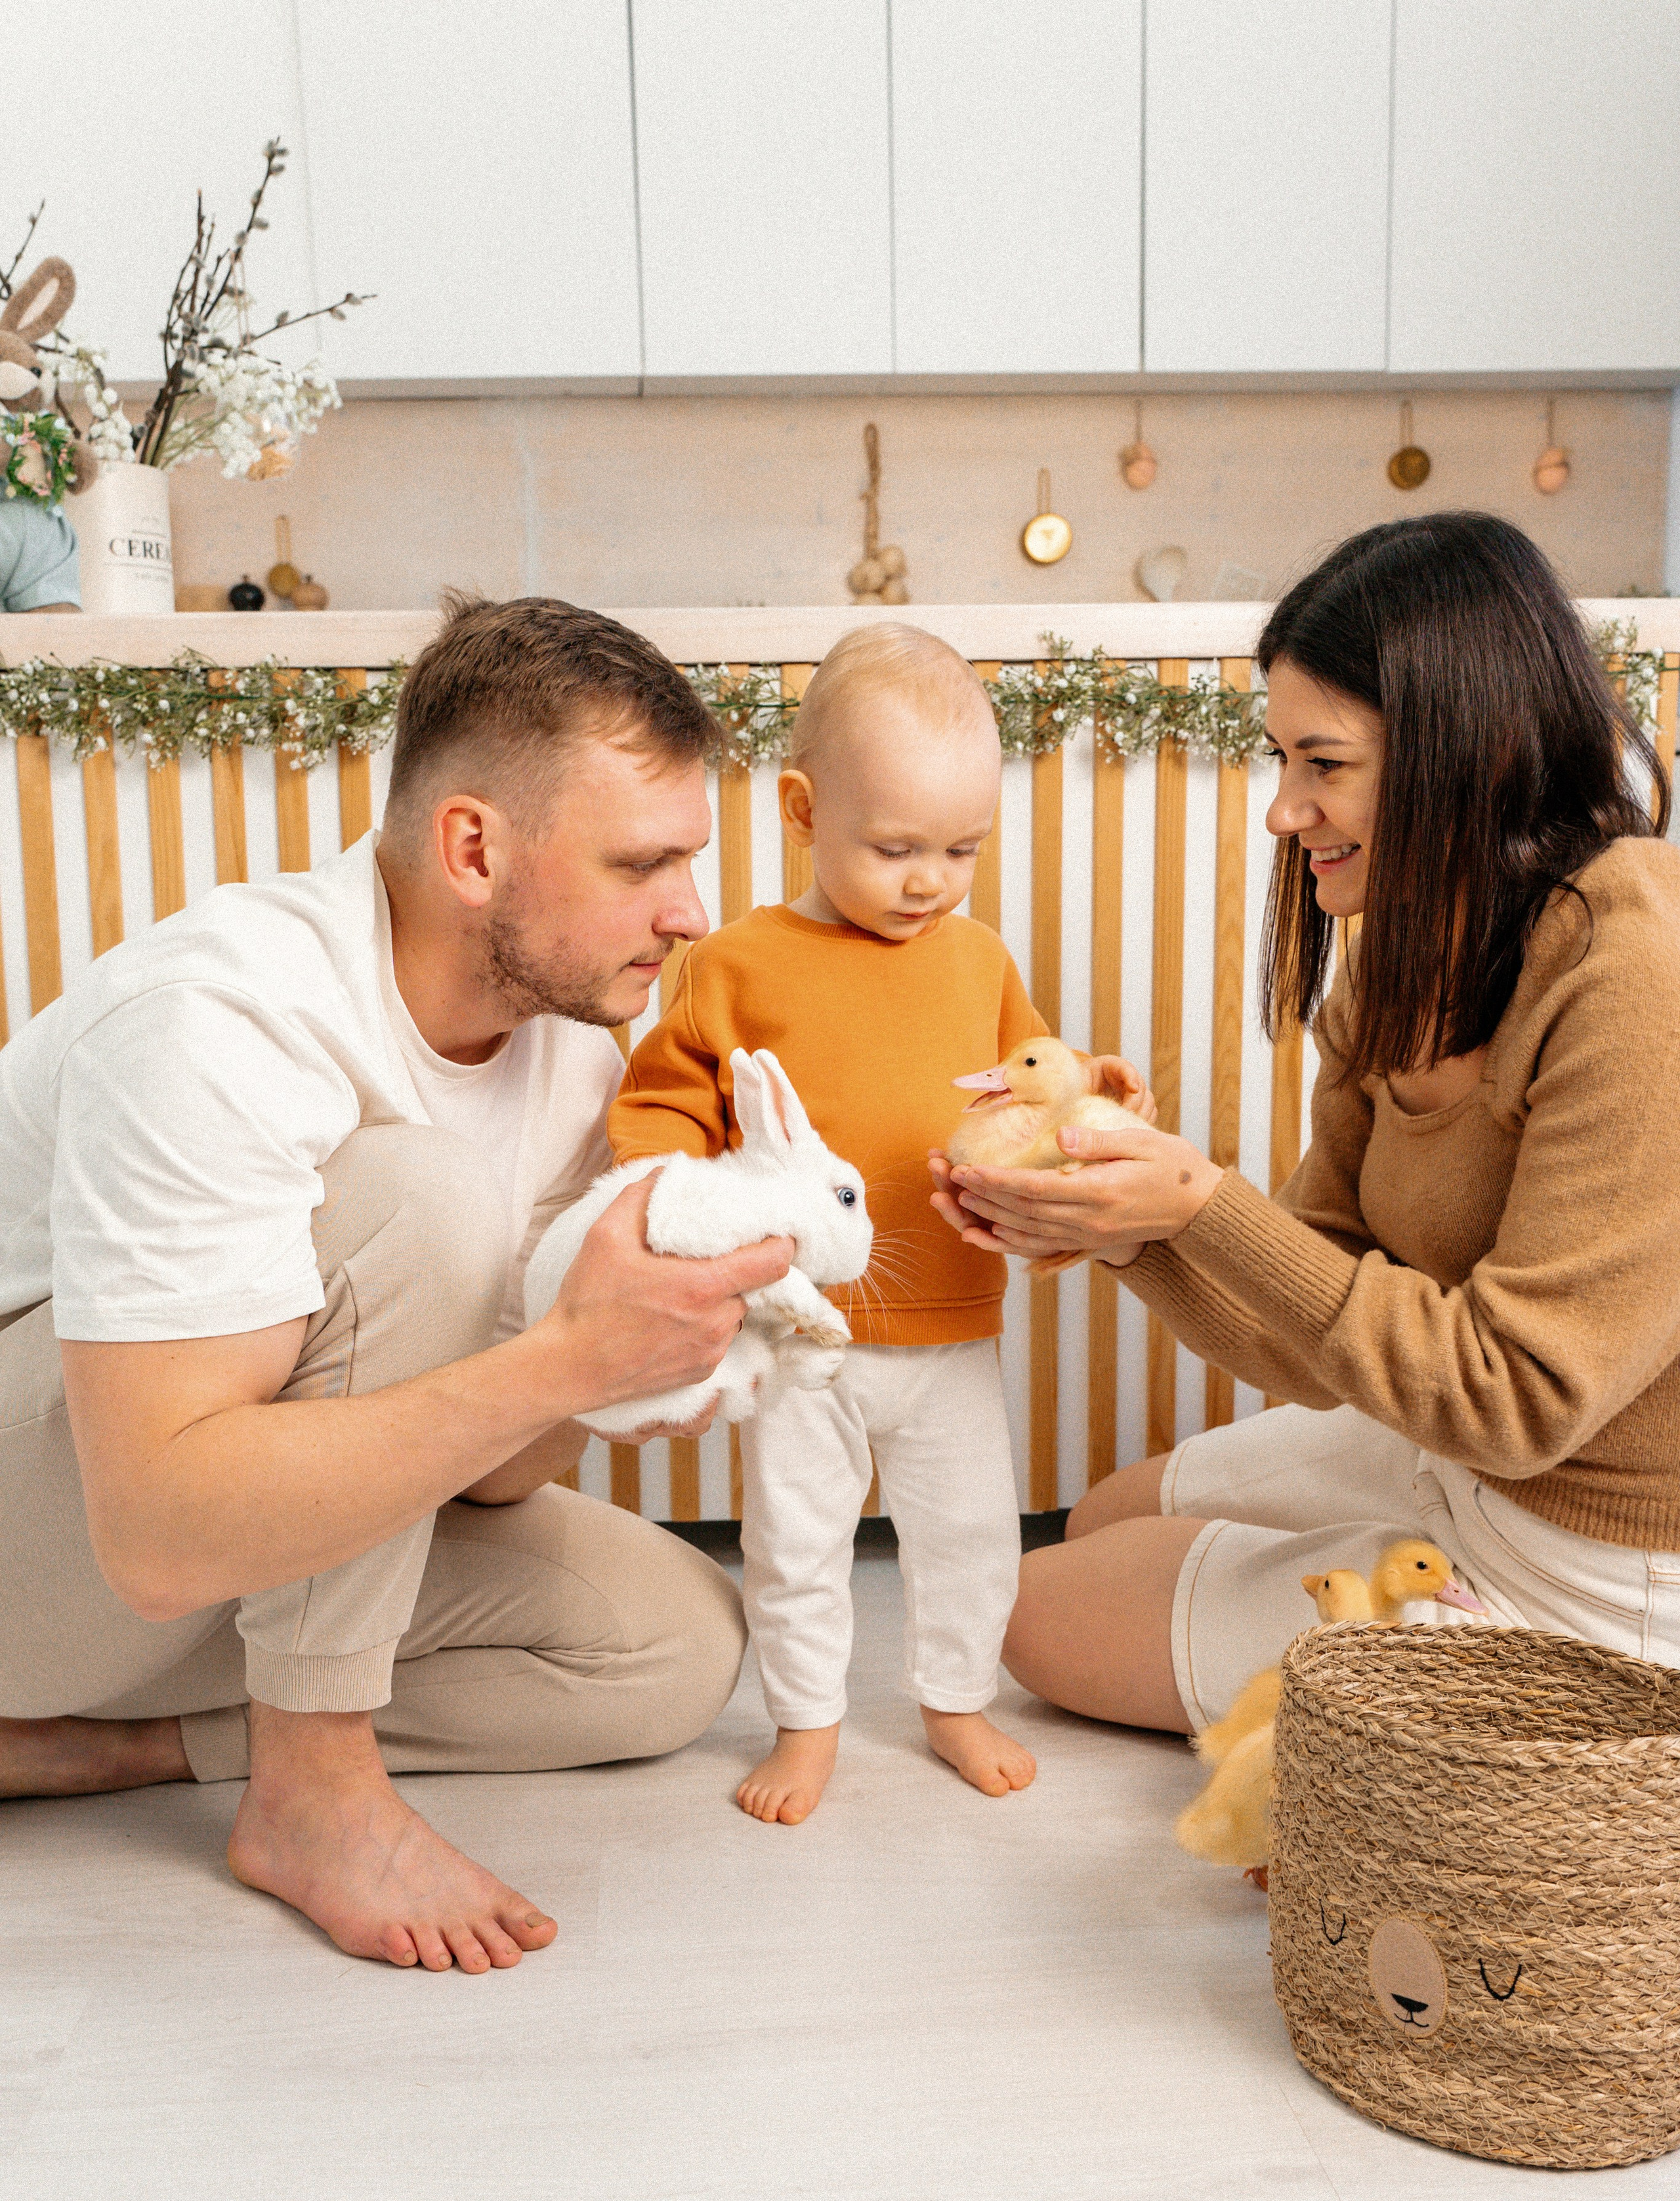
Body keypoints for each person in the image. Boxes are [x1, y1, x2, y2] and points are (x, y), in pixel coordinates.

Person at [0, 593, 799, 1971]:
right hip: (71, 1547)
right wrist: (563, 1358)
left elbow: (484, 1481)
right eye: (642, 863)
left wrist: (618, 1363)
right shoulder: (218, 1023)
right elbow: (158, 1541)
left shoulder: (572, 1054)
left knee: (669, 1644)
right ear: (474, 848)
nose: (691, 913)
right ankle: (313, 1790)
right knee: (421, 1199)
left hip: (182, 1577)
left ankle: (95, 1748)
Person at [931, 514, 1680, 1738]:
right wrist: (1126, 1229)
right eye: (1281, 758)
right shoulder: (1404, 960)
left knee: (1031, 1618)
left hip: (1599, 1567)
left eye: (1324, 764)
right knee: (1103, 1515)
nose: (1284, 812)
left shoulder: (1638, 968)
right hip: (1448, 1455)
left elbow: (1522, 1400)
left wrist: (1202, 1203)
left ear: (1471, 753)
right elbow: (1307, 1319)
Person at [610, 624, 1146, 1822]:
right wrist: (675, 1208)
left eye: (962, 850)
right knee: (797, 1542)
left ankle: (957, 1703)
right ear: (803, 811)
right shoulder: (737, 965)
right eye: (896, 848)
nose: (930, 881)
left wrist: (1092, 1098)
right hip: (806, 1330)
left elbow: (1031, 1086)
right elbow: (661, 1107)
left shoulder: (979, 961)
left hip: (954, 1328)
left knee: (971, 1536)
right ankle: (807, 1725)